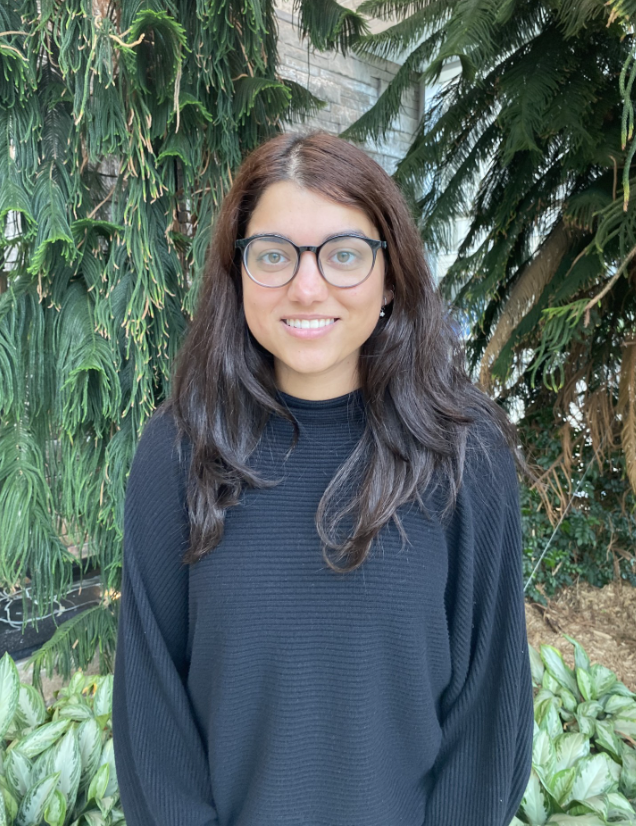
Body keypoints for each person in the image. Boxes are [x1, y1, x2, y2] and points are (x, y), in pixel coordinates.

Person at [112, 131, 534, 826]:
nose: (307, 287)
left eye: (344, 255)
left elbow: (489, 719)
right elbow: (153, 722)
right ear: (238, 271)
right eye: (274, 256)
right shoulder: (179, 451)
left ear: (390, 274)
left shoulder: (466, 455)